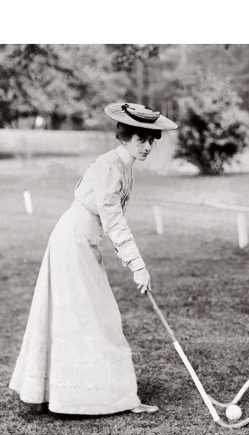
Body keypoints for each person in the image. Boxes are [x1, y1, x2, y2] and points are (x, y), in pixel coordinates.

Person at [9, 102, 178, 415]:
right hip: (71, 242)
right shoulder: (108, 167)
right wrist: (137, 265)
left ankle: (100, 394)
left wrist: (131, 261)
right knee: (92, 316)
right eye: (141, 139)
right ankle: (91, 396)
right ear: (124, 137)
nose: (147, 146)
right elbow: (114, 222)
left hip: (84, 241)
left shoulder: (124, 168)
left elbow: (111, 224)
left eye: (151, 140)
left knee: (94, 315)